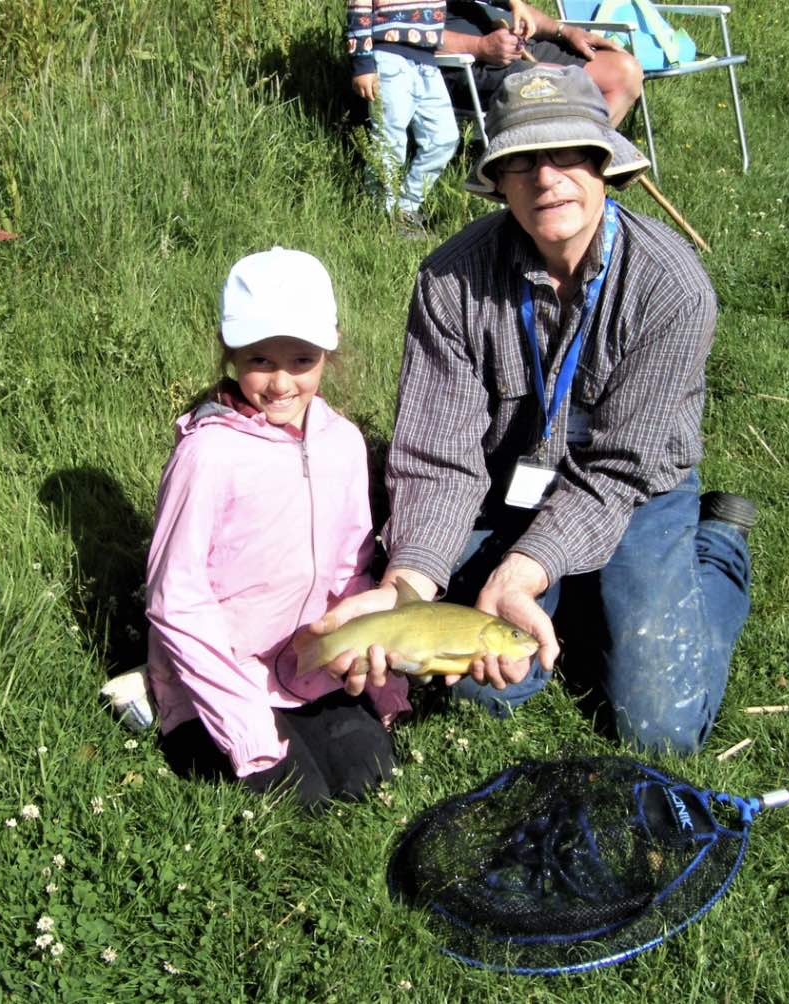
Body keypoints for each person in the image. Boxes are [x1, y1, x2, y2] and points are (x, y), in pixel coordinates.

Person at [312, 66, 754, 757]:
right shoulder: (449, 279)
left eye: (570, 155)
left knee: (661, 731)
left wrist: (520, 570)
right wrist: (409, 587)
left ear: (604, 165)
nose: (547, 179)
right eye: (521, 162)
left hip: (634, 492)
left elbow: (620, 470)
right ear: (498, 181)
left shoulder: (673, 288)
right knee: (489, 685)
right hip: (505, 479)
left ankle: (718, 548)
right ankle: (577, 590)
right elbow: (439, 457)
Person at [145, 247, 409, 805]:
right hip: (219, 675)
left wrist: (378, 679)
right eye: (260, 360)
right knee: (300, 797)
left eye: (301, 359)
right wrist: (244, 726)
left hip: (305, 663)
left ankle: (294, 714)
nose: (281, 382)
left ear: (327, 353)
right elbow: (176, 599)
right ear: (230, 353)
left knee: (369, 776)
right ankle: (161, 698)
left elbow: (352, 569)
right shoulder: (208, 455)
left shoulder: (342, 442)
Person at [347, 0, 460, 235]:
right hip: (388, 55)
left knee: (445, 138)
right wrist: (362, 62)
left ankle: (406, 208)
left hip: (427, 60)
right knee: (390, 141)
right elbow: (359, 7)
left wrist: (514, 5)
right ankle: (381, 216)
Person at [438, 0, 643, 126]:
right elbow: (409, 33)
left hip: (521, 45)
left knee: (625, 72)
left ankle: (588, 161)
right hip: (468, 62)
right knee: (566, 84)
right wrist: (480, 46)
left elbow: (517, 11)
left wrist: (564, 31)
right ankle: (559, 170)